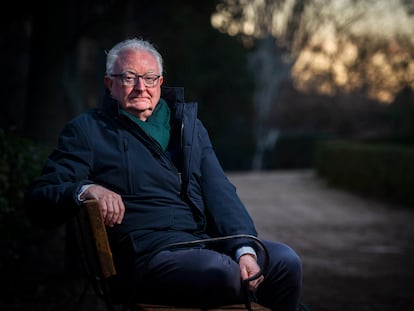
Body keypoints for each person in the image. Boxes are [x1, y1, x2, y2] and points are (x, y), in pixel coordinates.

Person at [24, 38, 303, 311]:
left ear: (160, 82)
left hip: (205, 245)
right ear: (110, 84)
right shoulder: (87, 130)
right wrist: (85, 189)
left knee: (284, 262)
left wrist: (244, 250)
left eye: (149, 78)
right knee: (222, 272)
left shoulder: (188, 127)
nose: (140, 87)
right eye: (129, 77)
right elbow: (40, 198)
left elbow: (221, 194)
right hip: (147, 257)